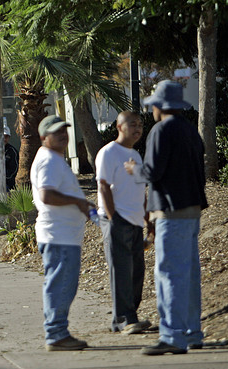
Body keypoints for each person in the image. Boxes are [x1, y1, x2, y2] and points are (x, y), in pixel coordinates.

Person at [124, 80, 208, 355]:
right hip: (192, 209)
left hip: (170, 211)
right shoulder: (190, 132)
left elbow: (152, 172)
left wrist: (134, 169)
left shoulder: (160, 130)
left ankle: (172, 335)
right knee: (190, 274)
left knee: (169, 274)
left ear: (160, 107)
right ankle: (192, 332)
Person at [31, 115, 94, 351]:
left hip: (62, 235)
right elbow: (47, 195)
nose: (62, 135)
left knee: (62, 285)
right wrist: (79, 203)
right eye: (56, 132)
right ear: (43, 137)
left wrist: (83, 204)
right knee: (61, 285)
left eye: (64, 130)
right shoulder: (49, 160)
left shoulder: (53, 158)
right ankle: (56, 334)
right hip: (58, 235)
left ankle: (57, 331)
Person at [95, 111, 150, 335]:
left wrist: (149, 221)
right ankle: (122, 320)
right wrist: (112, 218)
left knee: (137, 271)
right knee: (120, 271)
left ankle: (132, 315)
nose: (137, 128)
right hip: (116, 219)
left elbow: (141, 191)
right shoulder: (108, 152)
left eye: (140, 125)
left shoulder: (136, 155)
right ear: (119, 126)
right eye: (132, 124)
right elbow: (103, 187)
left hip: (136, 221)